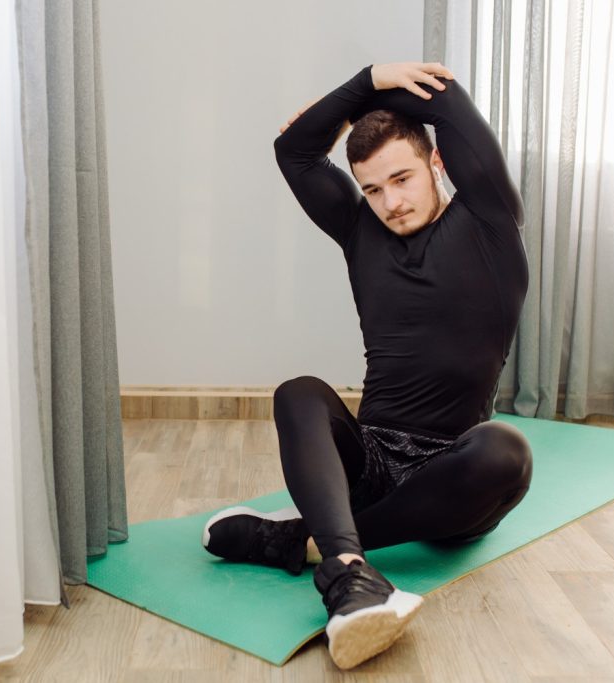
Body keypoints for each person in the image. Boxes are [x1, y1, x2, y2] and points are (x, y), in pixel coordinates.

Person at [201, 62, 533, 670]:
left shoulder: (489, 221)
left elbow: (448, 97)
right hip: (371, 461)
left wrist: (382, 85)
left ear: (438, 165)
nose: (390, 202)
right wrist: (366, 78)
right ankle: (350, 572)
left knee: (507, 451)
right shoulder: (361, 231)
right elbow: (294, 150)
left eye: (401, 178)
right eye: (373, 188)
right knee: (299, 392)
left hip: (452, 481)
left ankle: (299, 541)